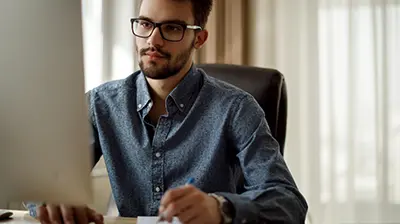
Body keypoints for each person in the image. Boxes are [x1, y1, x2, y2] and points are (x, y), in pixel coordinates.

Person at [26, 0, 308, 223]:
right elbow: (41, 183)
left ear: (199, 39)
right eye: (145, 24)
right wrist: (51, 200)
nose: (153, 40)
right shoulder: (101, 104)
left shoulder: (237, 109)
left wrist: (221, 209)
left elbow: (288, 202)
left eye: (172, 28)